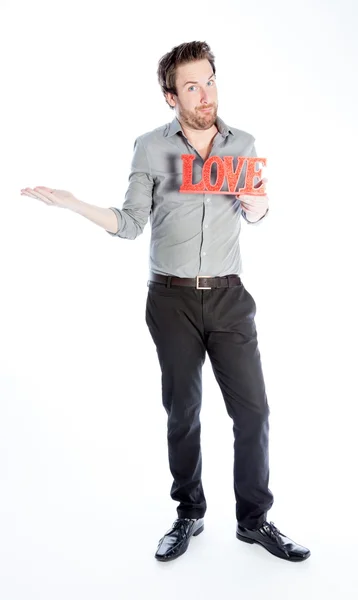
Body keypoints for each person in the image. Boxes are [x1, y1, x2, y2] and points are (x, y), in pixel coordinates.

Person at [20, 40, 311, 563]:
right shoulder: (151, 148)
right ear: (170, 96)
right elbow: (130, 224)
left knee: (254, 413)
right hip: (170, 300)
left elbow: (256, 213)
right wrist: (73, 204)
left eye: (210, 81)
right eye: (191, 86)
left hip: (229, 297)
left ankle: (254, 521)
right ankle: (189, 513)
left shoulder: (242, 143)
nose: (204, 94)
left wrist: (261, 205)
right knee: (183, 412)